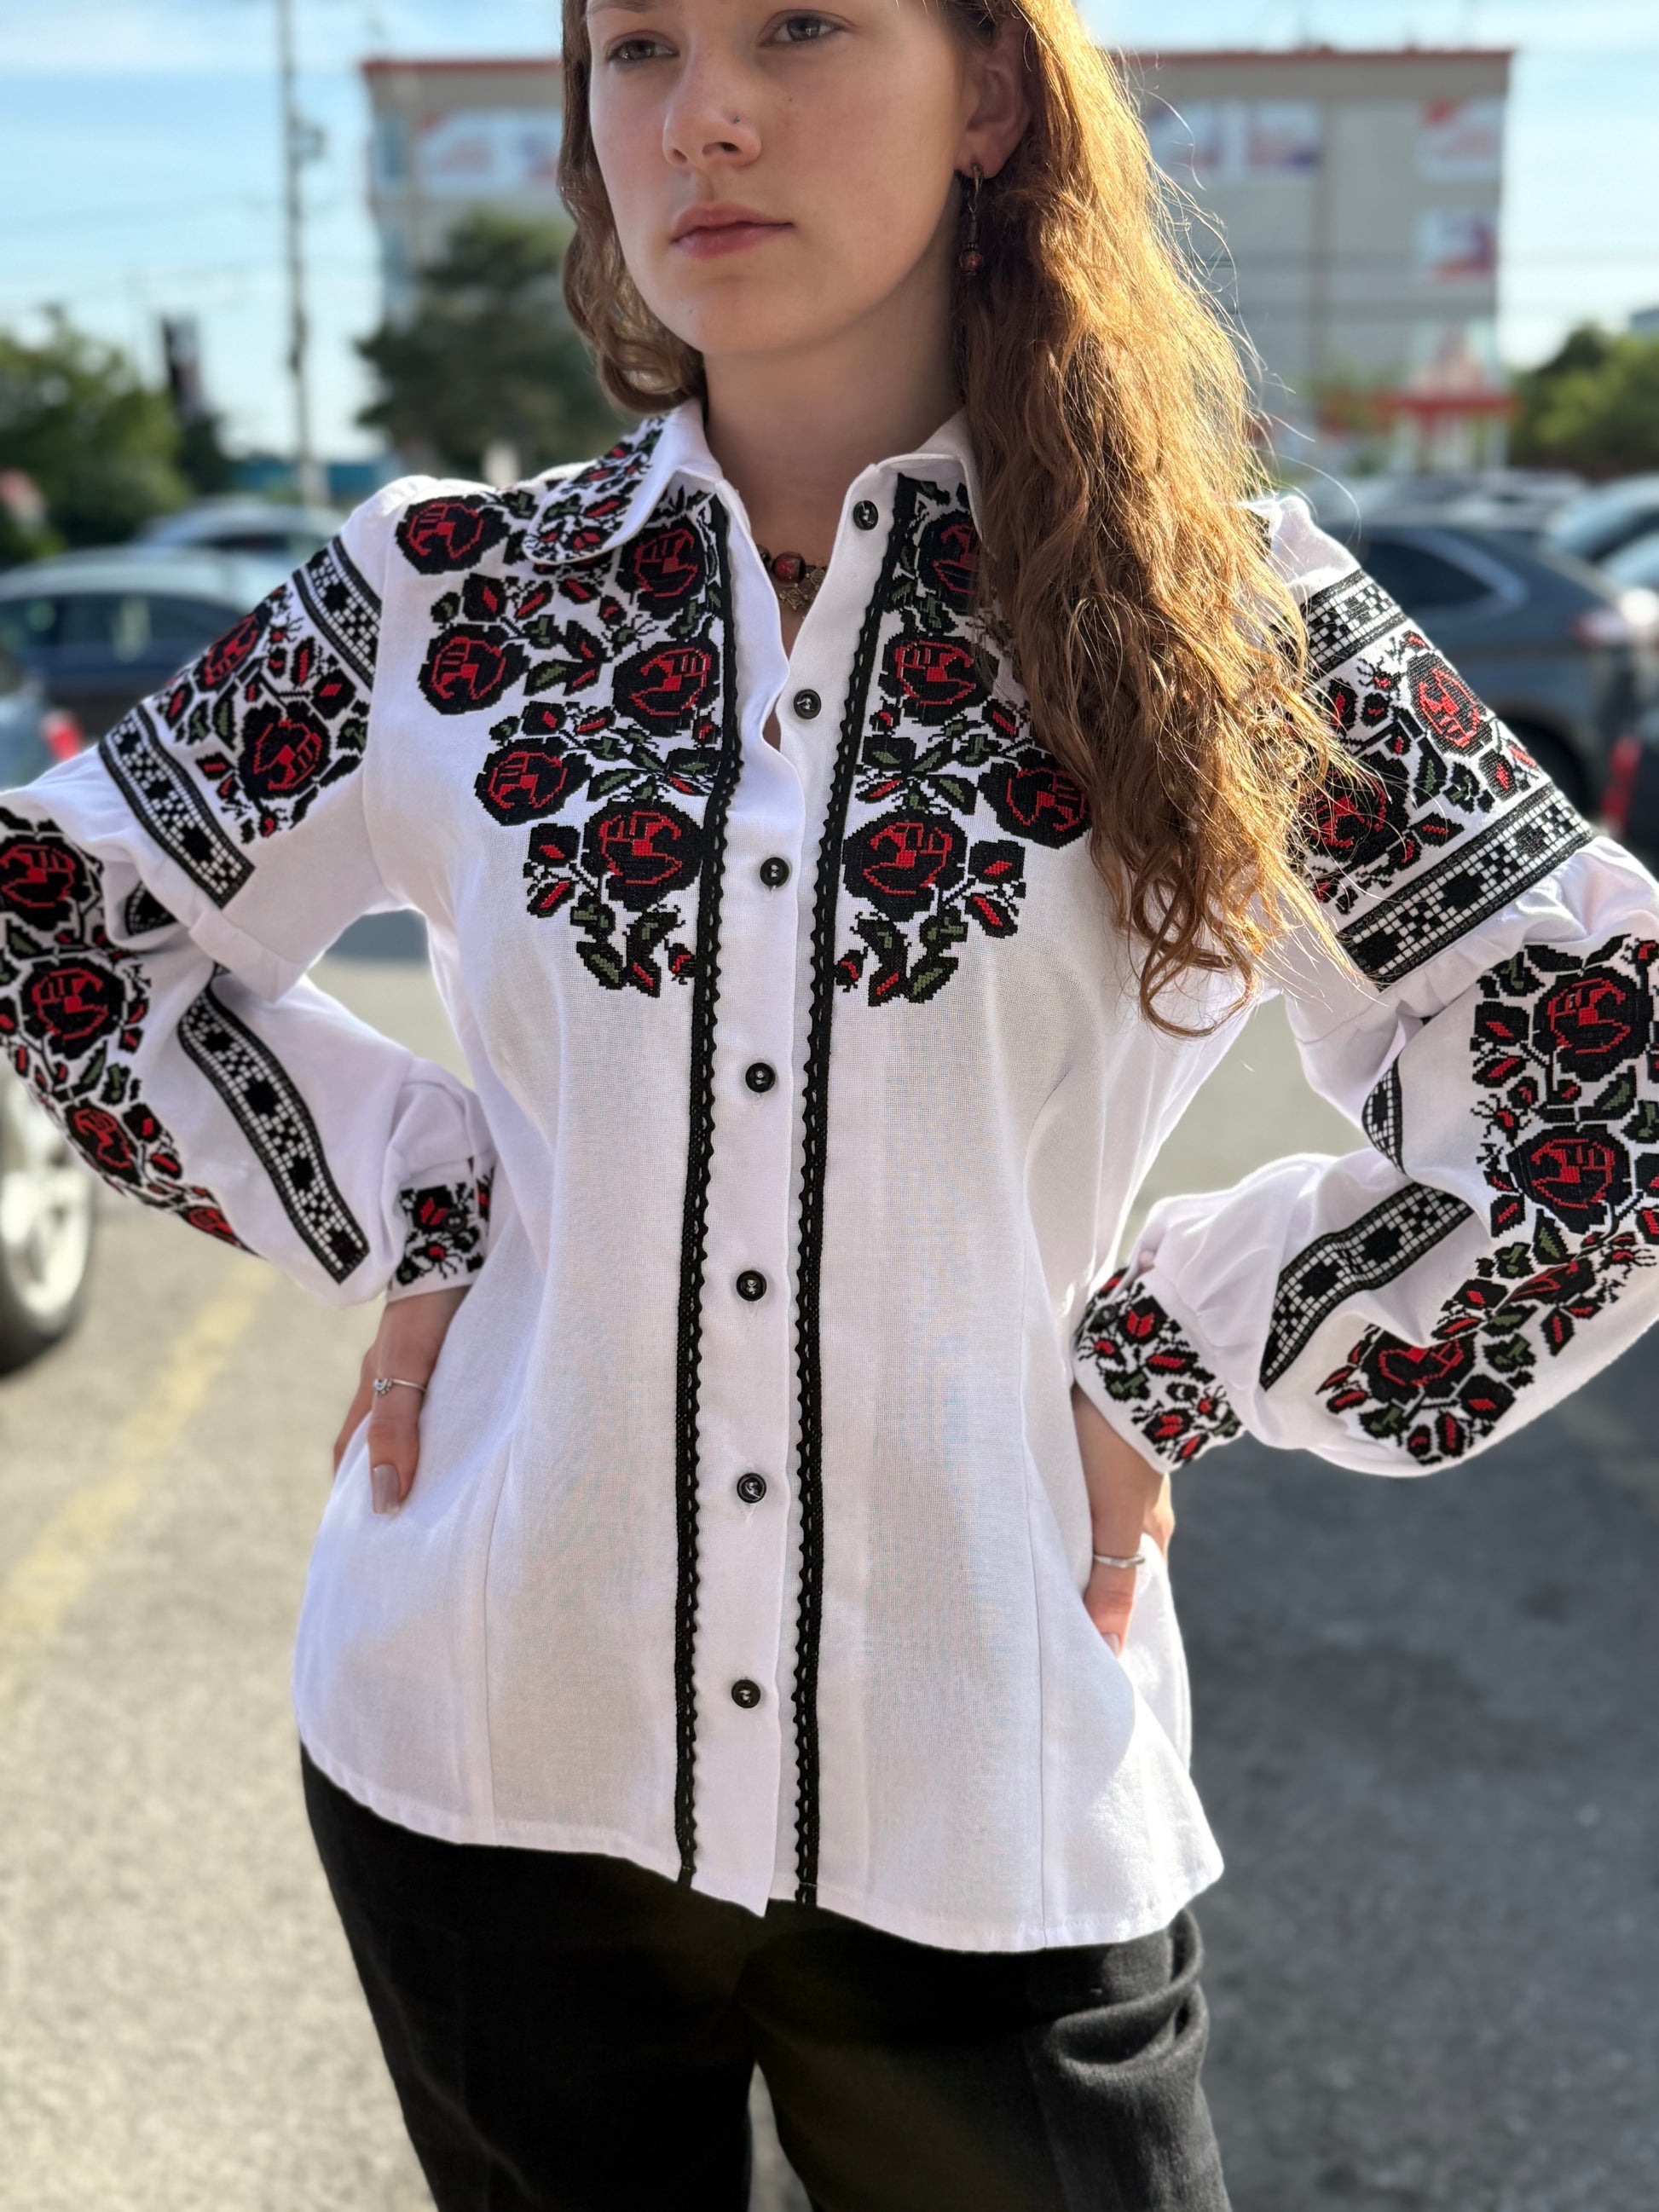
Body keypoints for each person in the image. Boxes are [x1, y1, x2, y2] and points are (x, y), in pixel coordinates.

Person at [4, 0, 1656, 2203]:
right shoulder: (441, 603)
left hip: (986, 1795)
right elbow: (58, 918)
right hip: (490, 1753)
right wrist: (413, 1198)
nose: (704, 112)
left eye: (797, 23)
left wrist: (1171, 1349)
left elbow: (1604, 1054)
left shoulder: (1224, 612)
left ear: (988, 91)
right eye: (635, 49)